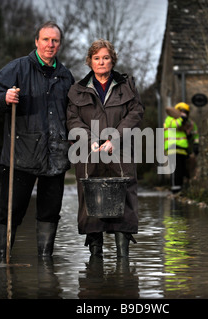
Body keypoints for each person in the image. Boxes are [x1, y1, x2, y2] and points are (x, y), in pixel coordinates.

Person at [0, 21, 75, 259]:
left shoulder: (66, 76)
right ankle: (2, 257)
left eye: (55, 40)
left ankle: (45, 263)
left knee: (50, 212)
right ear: (36, 42)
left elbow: (74, 114)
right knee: (11, 211)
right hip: (20, 154)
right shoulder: (17, 68)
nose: (50, 45)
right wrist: (5, 97)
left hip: (55, 156)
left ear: (59, 44)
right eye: (45, 39)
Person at [67, 39, 144, 258]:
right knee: (91, 201)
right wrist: (89, 139)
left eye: (106, 58)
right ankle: (95, 255)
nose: (102, 62)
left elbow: (136, 113)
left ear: (113, 60)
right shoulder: (77, 90)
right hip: (89, 153)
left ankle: (123, 256)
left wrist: (116, 138)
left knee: (125, 198)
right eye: (97, 58)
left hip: (120, 152)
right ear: (89, 61)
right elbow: (72, 119)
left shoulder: (127, 85)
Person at [163, 102, 199, 193]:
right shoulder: (169, 119)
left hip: (183, 149)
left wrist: (196, 144)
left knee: (184, 169)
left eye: (186, 112)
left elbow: (195, 133)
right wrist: (181, 119)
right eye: (182, 111)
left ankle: (181, 189)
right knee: (176, 169)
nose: (184, 114)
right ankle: (175, 189)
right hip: (172, 148)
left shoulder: (189, 123)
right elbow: (174, 125)